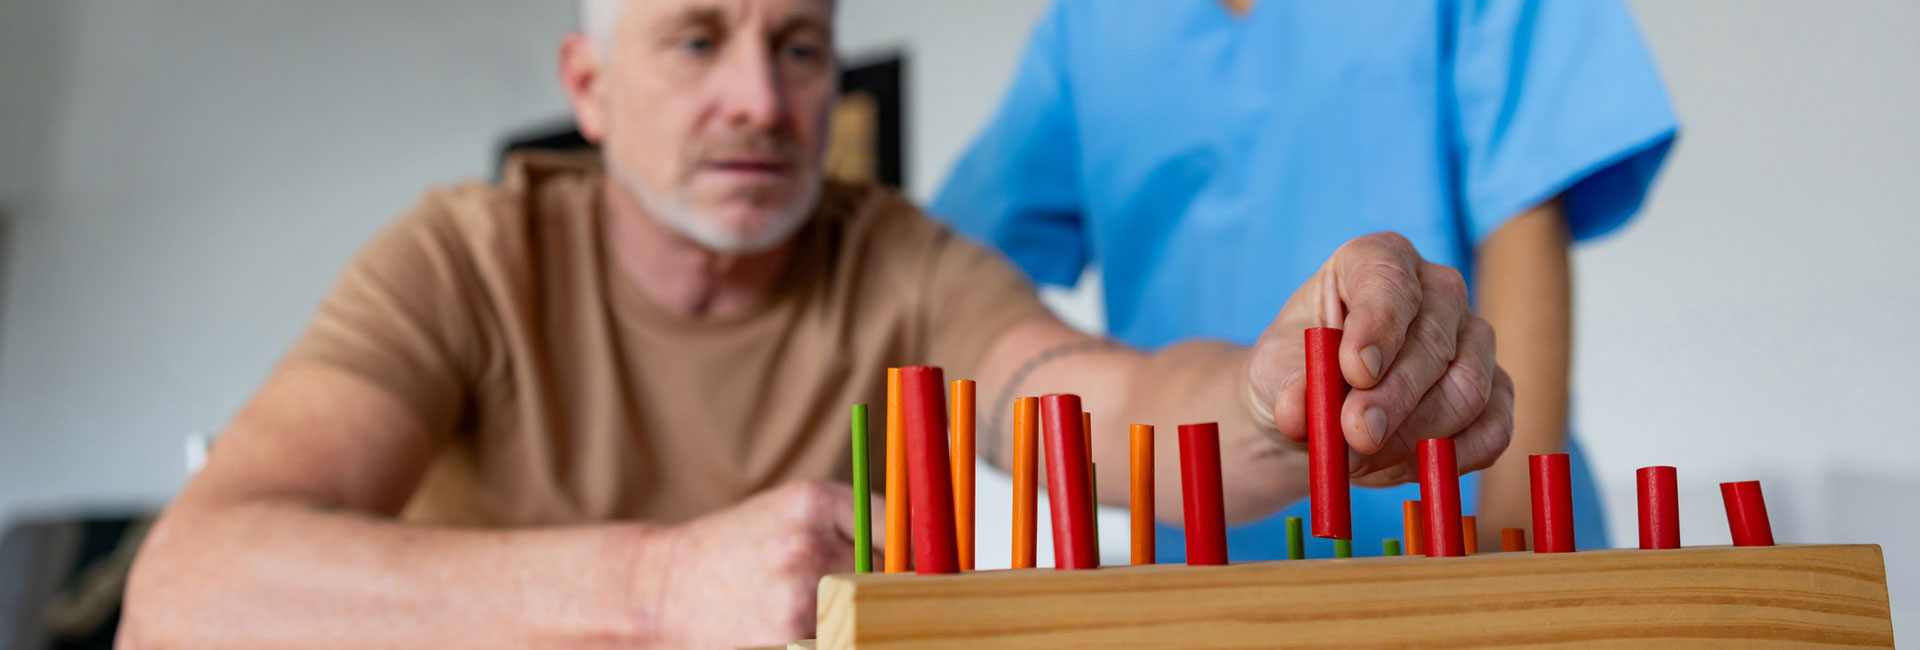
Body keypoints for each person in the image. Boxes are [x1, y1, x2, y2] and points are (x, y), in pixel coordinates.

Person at [117, 0, 1513, 647]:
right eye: (697, 37)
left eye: (797, 45)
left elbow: (1092, 393)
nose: (760, 98)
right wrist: (659, 588)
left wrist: (1284, 399)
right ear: (587, 86)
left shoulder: (893, 257)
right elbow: (185, 593)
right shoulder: (463, 257)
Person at [933, 0, 1677, 559]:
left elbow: (1524, 222)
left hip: (1466, 539)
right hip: (1212, 560)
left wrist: (1515, 563)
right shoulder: (1089, 25)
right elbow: (945, 280)